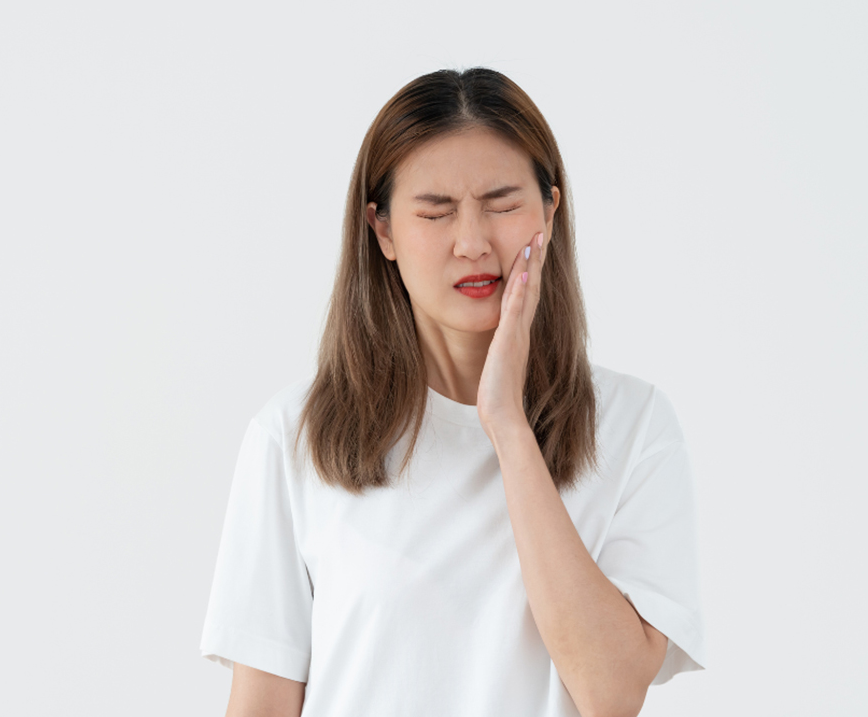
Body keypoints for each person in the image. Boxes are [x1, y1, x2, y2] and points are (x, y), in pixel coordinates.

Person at [200, 67, 707, 717]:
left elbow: (611, 692)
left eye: (502, 205)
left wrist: (507, 424)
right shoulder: (295, 436)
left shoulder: (635, 426)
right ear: (382, 230)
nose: (472, 242)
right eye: (435, 212)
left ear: (550, 211)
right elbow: (262, 706)